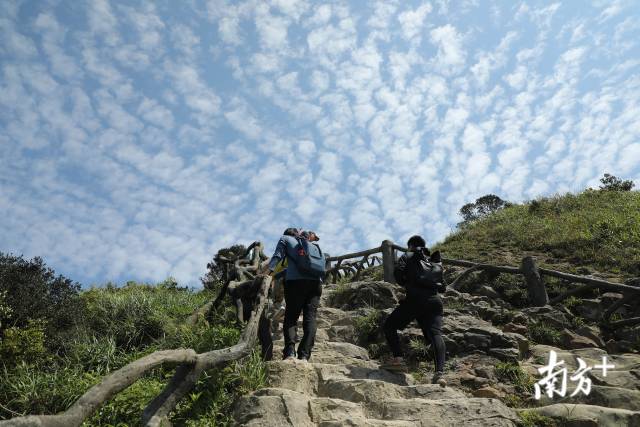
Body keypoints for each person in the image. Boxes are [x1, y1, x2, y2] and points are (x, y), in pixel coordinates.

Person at [382, 235, 447, 386]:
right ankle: (440, 373)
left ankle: (398, 360)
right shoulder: (434, 260)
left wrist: (408, 282)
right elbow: (443, 287)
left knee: (390, 326)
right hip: (435, 302)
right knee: (435, 334)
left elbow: (398, 274)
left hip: (416, 299)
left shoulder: (409, 254)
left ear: (411, 245)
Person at [268, 229, 325, 361]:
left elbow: (277, 256)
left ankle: (289, 353)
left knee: (291, 317)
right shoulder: (310, 245)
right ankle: (304, 354)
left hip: (295, 283)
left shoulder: (285, 239)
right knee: (310, 318)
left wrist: (269, 273)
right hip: (316, 284)